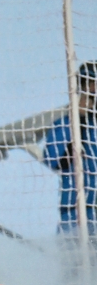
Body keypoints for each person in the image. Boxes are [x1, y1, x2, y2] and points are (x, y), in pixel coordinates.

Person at [44, 60, 97, 237]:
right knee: (76, 262)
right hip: (76, 216)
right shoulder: (64, 124)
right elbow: (56, 161)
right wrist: (80, 119)